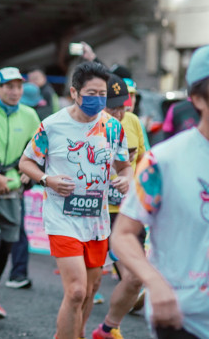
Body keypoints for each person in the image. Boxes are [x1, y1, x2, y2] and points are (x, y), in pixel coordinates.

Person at [19, 62, 132, 339]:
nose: (98, 100)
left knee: (91, 290)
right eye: (91, 93)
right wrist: (47, 179)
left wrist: (126, 178)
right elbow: (26, 162)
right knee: (76, 291)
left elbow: (124, 166)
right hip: (62, 218)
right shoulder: (52, 126)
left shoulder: (113, 127)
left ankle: (74, 333)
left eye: (102, 94)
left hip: (96, 221)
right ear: (74, 92)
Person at [112, 45, 209, 339]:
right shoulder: (163, 161)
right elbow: (123, 234)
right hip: (184, 316)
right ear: (198, 99)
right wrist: (154, 283)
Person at [91, 74, 147, 339]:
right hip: (97, 212)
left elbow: (143, 160)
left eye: (123, 106)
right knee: (88, 284)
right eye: (112, 108)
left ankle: (109, 327)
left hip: (129, 211)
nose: (119, 113)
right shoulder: (90, 125)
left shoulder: (133, 121)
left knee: (135, 277)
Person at [0, 67, 40, 318]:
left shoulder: (30, 115)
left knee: (6, 244)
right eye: (9, 87)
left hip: (13, 188)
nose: (15, 92)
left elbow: (39, 147)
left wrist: (33, 169)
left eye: (19, 87)